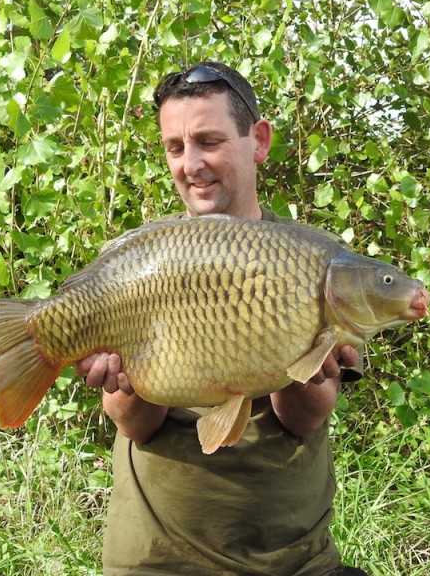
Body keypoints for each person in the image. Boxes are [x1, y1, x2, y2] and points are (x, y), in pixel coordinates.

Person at [75, 61, 368, 576]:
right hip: (158, 559)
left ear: (257, 140)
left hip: (295, 559)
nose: (190, 165)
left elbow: (305, 418)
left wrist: (304, 360)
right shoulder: (141, 263)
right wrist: (119, 381)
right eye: (174, 147)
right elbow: (137, 425)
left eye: (208, 142)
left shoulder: (316, 260)